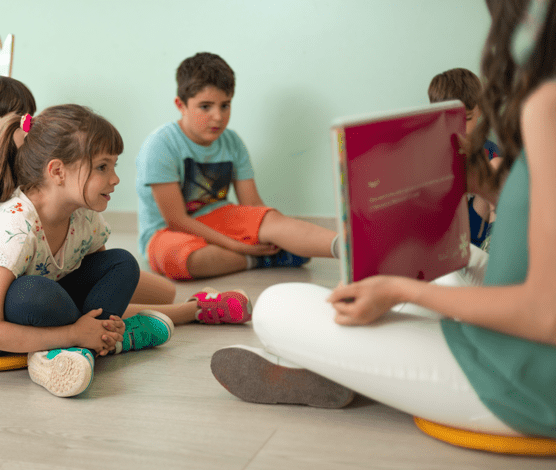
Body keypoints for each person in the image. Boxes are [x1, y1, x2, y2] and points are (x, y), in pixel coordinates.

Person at [211, 0, 556, 439]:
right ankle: (348, 363)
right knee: (450, 258)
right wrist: (485, 185)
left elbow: (546, 314)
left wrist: (399, 290)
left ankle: (332, 367)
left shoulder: (546, 103)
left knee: (275, 306)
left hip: (518, 384)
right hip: (519, 348)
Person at [0, 73, 249, 326]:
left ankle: (181, 312)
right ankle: (185, 312)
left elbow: (98, 279)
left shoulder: (49, 187)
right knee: (38, 297)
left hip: (40, 278)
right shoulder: (2, 210)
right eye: (102, 167)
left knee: (150, 283)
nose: (28, 124)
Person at [0, 105, 174, 398]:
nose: (115, 178)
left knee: (122, 263)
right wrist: (73, 332)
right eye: (102, 167)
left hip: (37, 305)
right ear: (57, 171)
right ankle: (87, 342)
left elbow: (98, 288)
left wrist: (99, 321)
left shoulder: (85, 216)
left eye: (114, 166)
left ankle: (90, 343)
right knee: (34, 294)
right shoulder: (13, 228)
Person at [136, 52, 340, 281]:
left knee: (271, 221)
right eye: (205, 107)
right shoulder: (160, 144)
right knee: (182, 258)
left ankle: (347, 247)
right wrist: (238, 246)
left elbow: (253, 205)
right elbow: (177, 220)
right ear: (181, 105)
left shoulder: (232, 141)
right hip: (168, 231)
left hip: (219, 217)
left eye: (225, 105)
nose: (218, 117)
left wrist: (270, 230)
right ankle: (261, 259)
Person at [428, 67, 502, 248]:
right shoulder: (430, 153)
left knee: (496, 166)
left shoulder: (490, 154)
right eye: (448, 119)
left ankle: (492, 248)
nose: (459, 128)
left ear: (480, 110)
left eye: (467, 118)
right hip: (443, 241)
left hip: (477, 240)